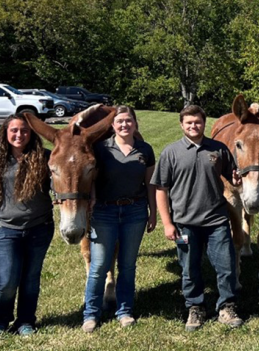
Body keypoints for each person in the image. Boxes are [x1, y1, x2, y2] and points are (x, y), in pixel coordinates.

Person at [152, 105, 244, 331]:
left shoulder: (218, 149)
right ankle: (195, 308)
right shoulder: (171, 152)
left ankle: (226, 307)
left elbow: (233, 177)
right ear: (182, 125)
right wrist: (167, 222)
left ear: (204, 123)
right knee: (189, 268)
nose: (194, 126)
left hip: (216, 222)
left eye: (198, 122)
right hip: (185, 225)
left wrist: (238, 179)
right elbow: (161, 189)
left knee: (226, 266)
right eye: (189, 123)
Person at [82, 106, 157, 332]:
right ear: (112, 126)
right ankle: (91, 313)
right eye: (119, 121)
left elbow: (150, 184)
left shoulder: (145, 149)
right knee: (98, 266)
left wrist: (153, 212)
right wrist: (93, 198)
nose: (124, 125)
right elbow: (92, 178)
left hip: (134, 211)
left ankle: (124, 310)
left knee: (127, 265)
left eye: (128, 120)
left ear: (135, 123)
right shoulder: (101, 148)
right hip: (105, 212)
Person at [0, 114, 53, 336]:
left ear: (31, 134)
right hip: (5, 228)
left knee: (31, 279)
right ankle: (0, 321)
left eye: (24, 130)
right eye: (14, 130)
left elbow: (64, 178)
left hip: (39, 227)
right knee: (6, 281)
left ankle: (26, 321)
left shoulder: (45, 158)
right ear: (5, 133)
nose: (19, 135)